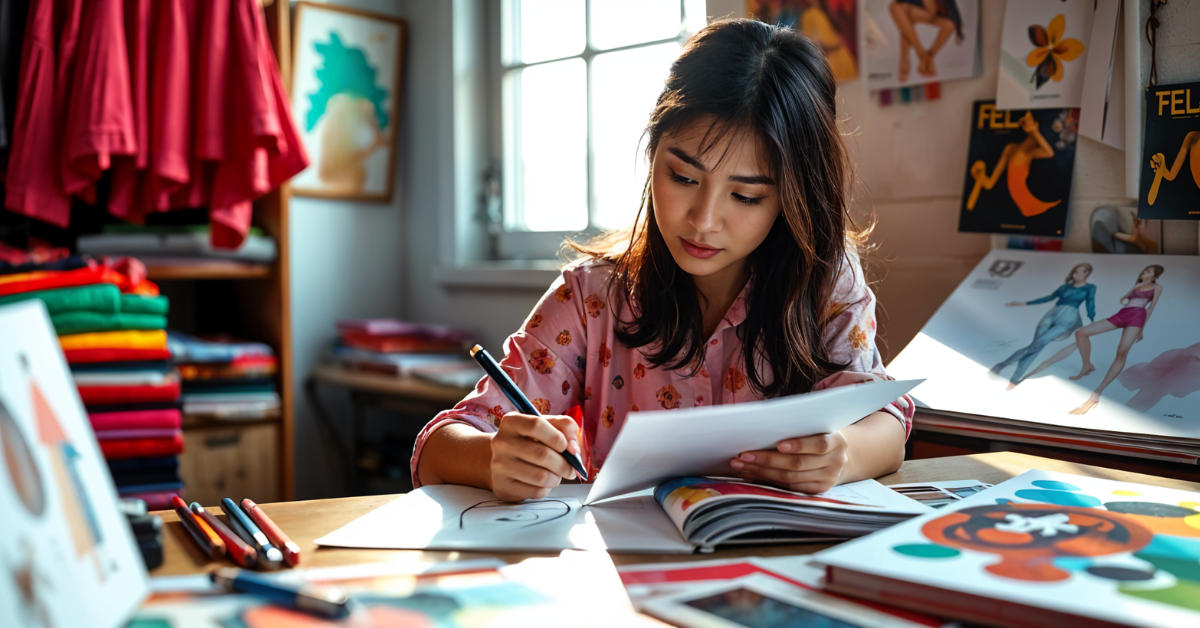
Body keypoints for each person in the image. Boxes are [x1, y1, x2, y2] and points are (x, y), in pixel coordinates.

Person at [410, 19, 914, 503]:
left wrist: (842, 455)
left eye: (746, 197)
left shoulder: (822, 279)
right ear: (653, 154)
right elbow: (438, 447)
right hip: (621, 573)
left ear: (792, 198)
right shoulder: (593, 296)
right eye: (684, 178)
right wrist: (494, 456)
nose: (704, 220)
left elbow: (887, 422)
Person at [1024, 266, 1165, 415]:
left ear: (1155, 275)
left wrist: (1141, 329)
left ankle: (1097, 393)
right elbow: (1123, 300)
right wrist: (1137, 286)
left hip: (1137, 316)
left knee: (1121, 352)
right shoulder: (1138, 285)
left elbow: (1150, 308)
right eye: (1144, 271)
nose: (1145, 273)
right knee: (1081, 333)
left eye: (1149, 272)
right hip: (1122, 314)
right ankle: (1087, 365)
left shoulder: (1158, 287)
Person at [990, 263, 1095, 390]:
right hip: (1051, 315)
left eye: (1081, 272)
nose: (1078, 274)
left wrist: (1092, 321)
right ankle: (1012, 375)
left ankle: (1008, 370)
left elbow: (1090, 304)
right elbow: (1049, 298)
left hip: (1069, 318)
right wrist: (1023, 303)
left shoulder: (1090, 287)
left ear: (1087, 274)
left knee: (1039, 342)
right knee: (1035, 345)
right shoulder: (1064, 287)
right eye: (1076, 272)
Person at [966, 112, 1060, 218]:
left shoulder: (1029, 153)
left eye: (1029, 120)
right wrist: (979, 177)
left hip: (1034, 205)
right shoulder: (1011, 148)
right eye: (1024, 121)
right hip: (1026, 207)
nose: (1026, 123)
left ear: (1037, 125)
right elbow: (989, 184)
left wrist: (1035, 131)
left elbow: (1049, 153)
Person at [889, 0, 963, 82]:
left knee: (949, 24)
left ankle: (925, 57)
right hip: (915, 7)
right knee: (897, 8)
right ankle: (923, 56)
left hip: (935, 9)